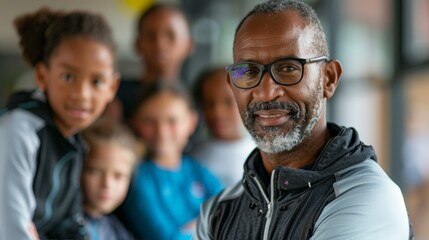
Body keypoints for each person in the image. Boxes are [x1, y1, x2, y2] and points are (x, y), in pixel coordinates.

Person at [194, 1, 413, 239]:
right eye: (248, 72)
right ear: (232, 87)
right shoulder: (217, 212)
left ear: (328, 79)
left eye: (288, 68)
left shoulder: (367, 199)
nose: (267, 92)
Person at [0, 8, 119, 239]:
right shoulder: (19, 131)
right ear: (43, 76)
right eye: (68, 77)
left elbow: (70, 226)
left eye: (97, 81)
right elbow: (11, 231)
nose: (82, 94)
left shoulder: (73, 142)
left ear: (112, 88)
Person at [117, 82, 223, 240]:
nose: (162, 131)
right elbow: (167, 237)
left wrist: (192, 228)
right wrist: (208, 224)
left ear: (192, 121)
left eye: (172, 120)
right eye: (150, 121)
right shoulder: (137, 177)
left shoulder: (196, 169)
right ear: (135, 122)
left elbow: (233, 214)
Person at [113, 3, 194, 120]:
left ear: (189, 45)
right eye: (151, 35)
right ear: (137, 44)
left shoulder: (200, 100)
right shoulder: (113, 96)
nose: (160, 44)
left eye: (171, 35)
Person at [190, 66, 255, 186]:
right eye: (208, 103)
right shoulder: (191, 155)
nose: (218, 113)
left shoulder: (261, 156)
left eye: (228, 101)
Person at [81, 119, 138, 240]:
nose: (107, 184)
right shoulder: (62, 227)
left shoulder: (116, 230)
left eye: (118, 176)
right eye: (95, 171)